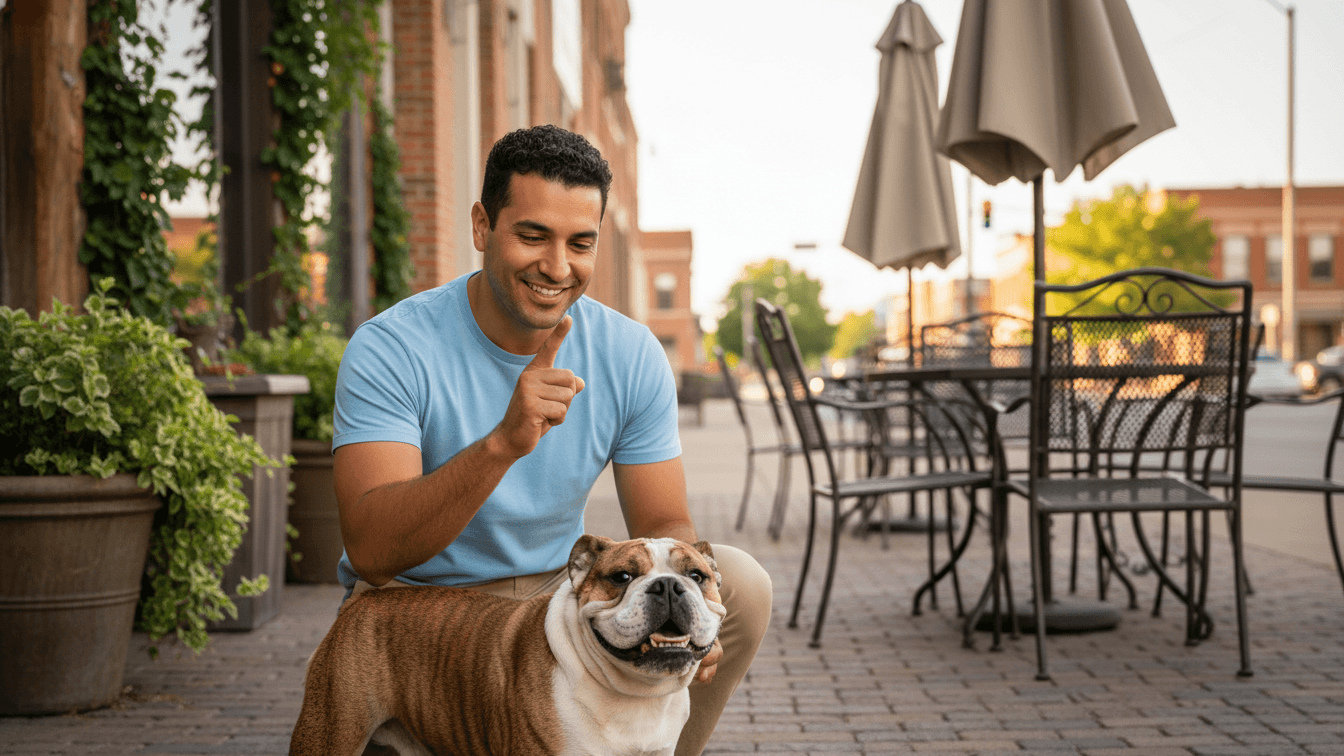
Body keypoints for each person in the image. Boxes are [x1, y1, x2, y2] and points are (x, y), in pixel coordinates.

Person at [331, 124, 772, 756]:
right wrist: (501, 445)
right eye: (533, 235)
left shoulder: (627, 351)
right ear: (483, 227)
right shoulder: (392, 347)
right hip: (420, 605)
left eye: (580, 242)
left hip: (550, 594)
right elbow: (373, 550)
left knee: (742, 585)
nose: (557, 266)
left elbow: (665, 522)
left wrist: (696, 613)